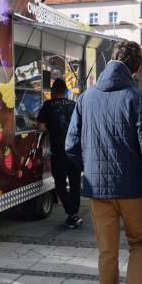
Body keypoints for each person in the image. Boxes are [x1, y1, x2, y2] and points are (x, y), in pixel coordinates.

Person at [65, 40, 142, 284]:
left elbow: (71, 145)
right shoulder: (140, 100)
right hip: (133, 188)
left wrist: (90, 168)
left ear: (109, 61)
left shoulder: (85, 98)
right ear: (137, 68)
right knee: (140, 243)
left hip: (98, 190)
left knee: (107, 252)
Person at [37, 78, 83, 229]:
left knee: (60, 184)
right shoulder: (74, 105)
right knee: (75, 183)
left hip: (59, 151)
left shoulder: (48, 105)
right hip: (75, 151)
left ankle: (72, 212)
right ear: (65, 91)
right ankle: (73, 215)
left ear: (53, 92)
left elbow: (41, 127)